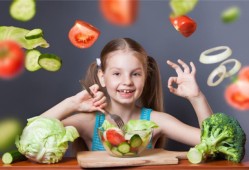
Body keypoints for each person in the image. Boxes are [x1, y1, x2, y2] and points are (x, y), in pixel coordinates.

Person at [41, 38, 213, 153]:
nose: (127, 81)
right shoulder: (89, 123)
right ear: (102, 77)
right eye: (117, 74)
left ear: (145, 76)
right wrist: (70, 104)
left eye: (136, 74)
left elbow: (214, 143)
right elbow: (33, 135)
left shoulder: (156, 122)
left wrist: (197, 98)